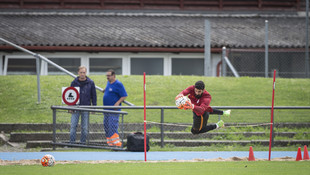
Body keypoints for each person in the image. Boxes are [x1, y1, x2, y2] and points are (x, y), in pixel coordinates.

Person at [69, 66, 97, 144]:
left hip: (86, 107)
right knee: (73, 126)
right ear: (78, 73)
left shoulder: (91, 82)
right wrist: (70, 107)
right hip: (75, 107)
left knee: (85, 127)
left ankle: (83, 143)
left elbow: (94, 95)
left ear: (86, 73)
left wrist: (94, 107)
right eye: (81, 72)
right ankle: (72, 143)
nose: (82, 74)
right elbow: (69, 95)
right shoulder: (73, 83)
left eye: (84, 72)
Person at [103, 69, 128, 147]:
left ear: (113, 76)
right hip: (106, 110)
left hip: (113, 110)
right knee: (106, 126)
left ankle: (117, 143)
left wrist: (117, 103)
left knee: (112, 125)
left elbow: (124, 95)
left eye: (109, 75)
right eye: (106, 75)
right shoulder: (108, 83)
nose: (107, 77)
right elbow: (110, 89)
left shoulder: (118, 84)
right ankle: (110, 143)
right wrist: (105, 90)